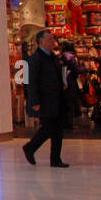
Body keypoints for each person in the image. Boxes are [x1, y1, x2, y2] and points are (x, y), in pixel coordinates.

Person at [23, 29, 69, 168]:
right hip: (44, 100)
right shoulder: (35, 59)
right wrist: (34, 101)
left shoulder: (53, 57)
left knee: (57, 129)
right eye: (49, 39)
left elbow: (58, 73)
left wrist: (63, 84)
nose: (52, 42)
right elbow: (31, 81)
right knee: (48, 128)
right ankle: (30, 147)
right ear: (40, 42)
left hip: (57, 98)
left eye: (52, 39)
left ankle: (55, 159)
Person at [59, 40, 83, 130]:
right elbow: (76, 70)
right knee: (70, 104)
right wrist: (85, 68)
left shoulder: (60, 56)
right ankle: (69, 124)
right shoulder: (70, 57)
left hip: (63, 82)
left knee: (66, 103)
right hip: (70, 82)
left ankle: (66, 123)